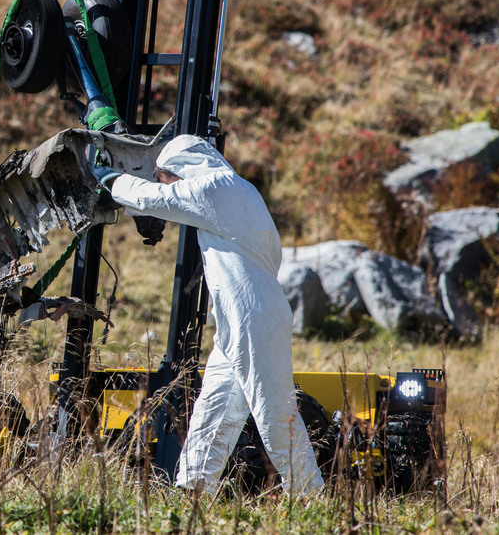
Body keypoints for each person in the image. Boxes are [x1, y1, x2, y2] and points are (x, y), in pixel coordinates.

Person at [89, 133, 323, 496]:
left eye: (165, 177)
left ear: (182, 169)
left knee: (275, 413)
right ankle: (193, 490)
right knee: (214, 411)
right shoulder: (239, 190)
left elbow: (155, 199)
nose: (165, 186)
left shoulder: (214, 188)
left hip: (251, 315)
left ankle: (311, 497)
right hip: (244, 316)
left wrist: (107, 177)